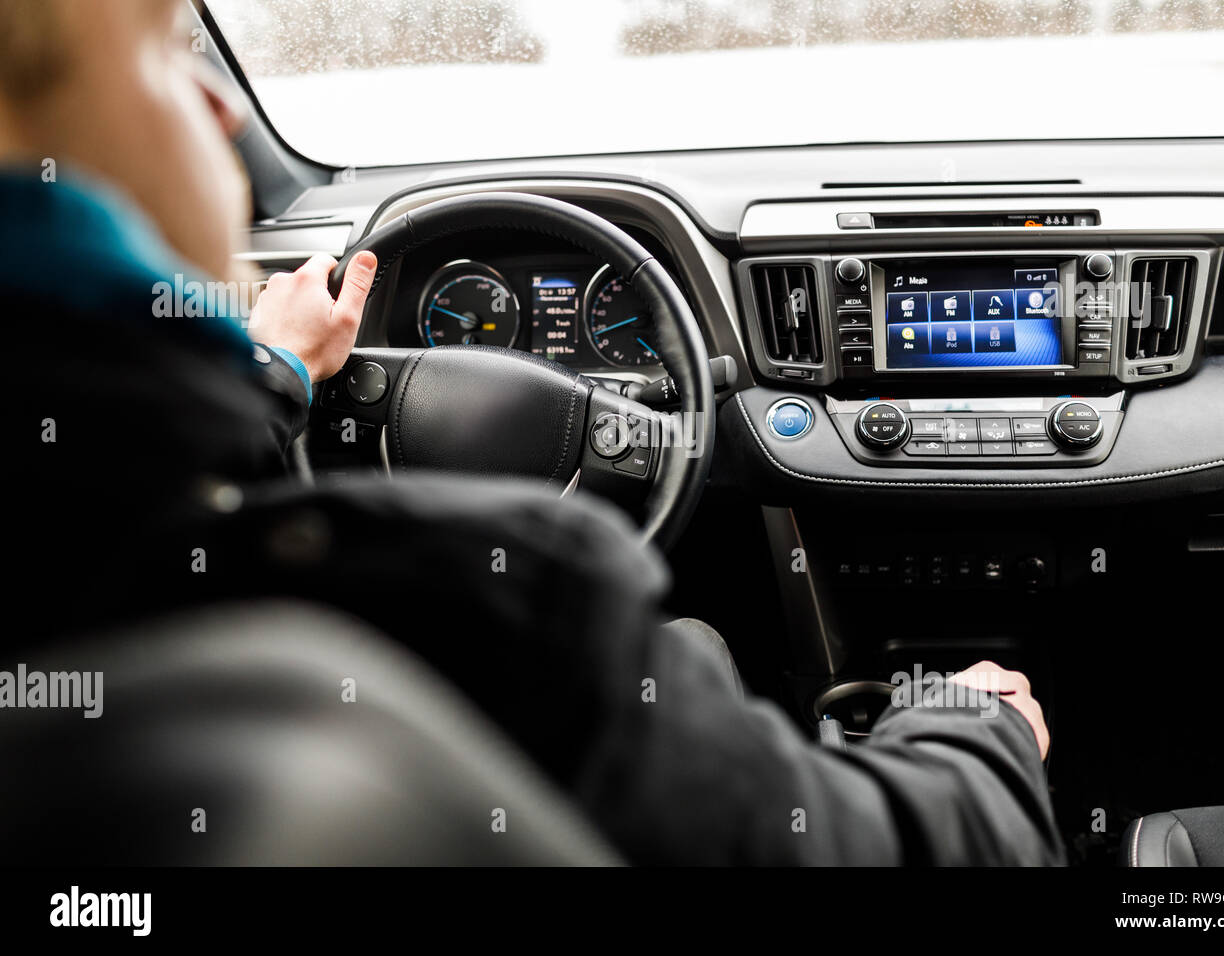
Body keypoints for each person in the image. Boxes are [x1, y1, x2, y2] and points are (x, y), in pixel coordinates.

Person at [1, 0, 1063, 865]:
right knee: (690, 644)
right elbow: (916, 844)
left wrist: (273, 369)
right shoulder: (516, 613)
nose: (221, 113)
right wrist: (977, 720)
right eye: (160, 46)